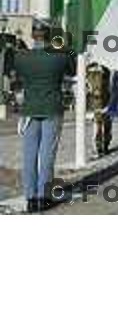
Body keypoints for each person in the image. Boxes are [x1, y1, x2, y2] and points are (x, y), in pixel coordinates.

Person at [11, 19, 75, 213]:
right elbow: (72, 70)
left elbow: (17, 77)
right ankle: (43, 197)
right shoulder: (60, 56)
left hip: (29, 110)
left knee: (29, 155)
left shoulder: (21, 57)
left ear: (33, 35)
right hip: (52, 109)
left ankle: (30, 198)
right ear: (50, 35)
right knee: (47, 154)